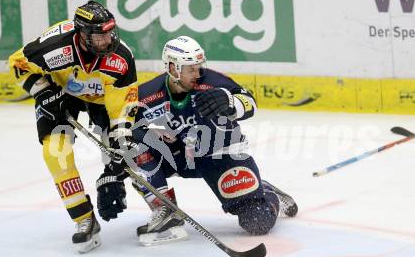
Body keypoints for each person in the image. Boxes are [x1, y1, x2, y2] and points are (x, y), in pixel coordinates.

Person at [96, 36, 298, 245]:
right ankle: (165, 209)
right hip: (179, 156)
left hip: (221, 154)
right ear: (173, 68)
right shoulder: (148, 95)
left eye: (199, 66)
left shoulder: (212, 82)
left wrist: (230, 101)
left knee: (257, 221)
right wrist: (111, 174)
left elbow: (251, 103)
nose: (198, 73)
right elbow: (120, 130)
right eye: (191, 68)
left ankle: (266, 192)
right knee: (134, 145)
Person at [8, 1, 138, 253]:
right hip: (60, 94)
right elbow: (17, 64)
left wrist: (122, 141)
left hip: (103, 100)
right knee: (55, 152)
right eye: (100, 36)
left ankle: (162, 207)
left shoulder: (120, 57)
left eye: (110, 32)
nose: (108, 39)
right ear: (83, 36)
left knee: (131, 150)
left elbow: (122, 106)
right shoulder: (53, 48)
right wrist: (42, 91)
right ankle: (84, 219)